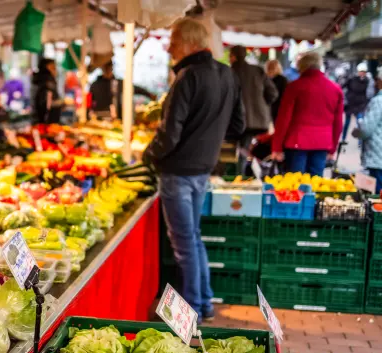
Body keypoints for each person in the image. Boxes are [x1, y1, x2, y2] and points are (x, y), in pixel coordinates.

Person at [143, 18, 244, 323]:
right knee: (193, 238)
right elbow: (237, 125)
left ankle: (194, 312)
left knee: (184, 243)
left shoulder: (187, 77)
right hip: (203, 169)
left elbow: (169, 134)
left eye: (173, 40)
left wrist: (146, 154)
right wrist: (207, 137)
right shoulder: (226, 74)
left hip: (177, 171)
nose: (170, 47)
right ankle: (205, 303)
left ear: (188, 42)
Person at [271, 53, 344, 176]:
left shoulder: (294, 87)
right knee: (315, 182)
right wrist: (333, 148)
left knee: (295, 183)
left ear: (301, 67)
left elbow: (284, 119)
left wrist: (277, 146)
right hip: (322, 142)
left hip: (297, 142)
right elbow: (338, 122)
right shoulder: (335, 89)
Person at [229, 45, 279, 173]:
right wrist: (261, 105)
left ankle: (237, 175)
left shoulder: (229, 72)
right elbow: (273, 93)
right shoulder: (257, 70)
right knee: (245, 147)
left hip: (234, 119)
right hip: (257, 120)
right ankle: (240, 173)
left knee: (235, 147)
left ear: (232, 57)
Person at [89, 61, 156, 120]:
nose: (107, 69)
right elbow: (89, 102)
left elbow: (135, 88)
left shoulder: (119, 83)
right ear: (102, 68)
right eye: (105, 67)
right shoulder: (95, 85)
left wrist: (149, 94)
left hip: (117, 119)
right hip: (98, 119)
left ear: (112, 67)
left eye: (109, 66)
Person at [358, 76, 382, 193]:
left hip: (378, 156)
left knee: (377, 195)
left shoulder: (379, 101)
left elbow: (366, 129)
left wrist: (360, 124)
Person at [342, 63, 374, 142]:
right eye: (361, 71)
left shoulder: (367, 81)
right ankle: (343, 139)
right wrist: (344, 99)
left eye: (364, 72)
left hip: (361, 105)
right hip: (350, 104)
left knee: (360, 123)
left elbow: (370, 93)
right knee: (347, 123)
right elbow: (342, 87)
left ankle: (360, 141)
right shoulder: (352, 79)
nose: (362, 73)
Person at [32, 58, 62, 124]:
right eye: (53, 68)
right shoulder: (47, 81)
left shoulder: (39, 79)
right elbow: (47, 104)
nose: (55, 70)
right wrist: (62, 102)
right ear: (47, 68)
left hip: (40, 119)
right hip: (47, 122)